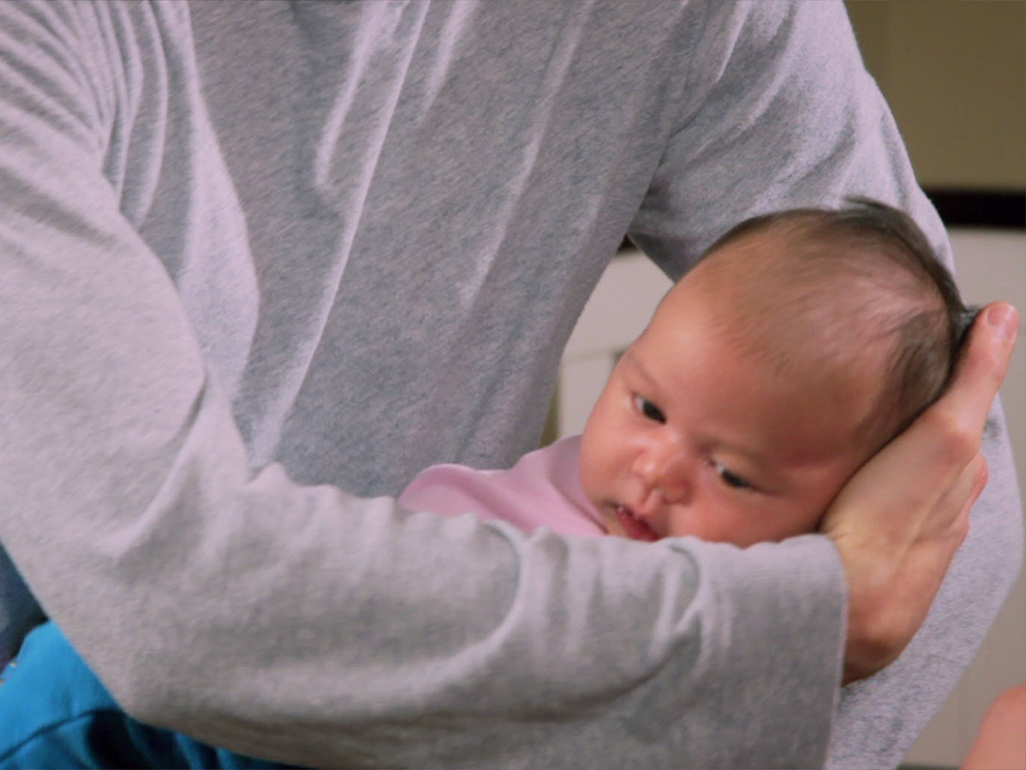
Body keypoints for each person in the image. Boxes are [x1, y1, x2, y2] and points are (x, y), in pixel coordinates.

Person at [0, 2, 1019, 768]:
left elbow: (952, 496)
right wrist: (811, 617)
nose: (660, 467)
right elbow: (169, 600)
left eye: (738, 472)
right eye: (647, 404)